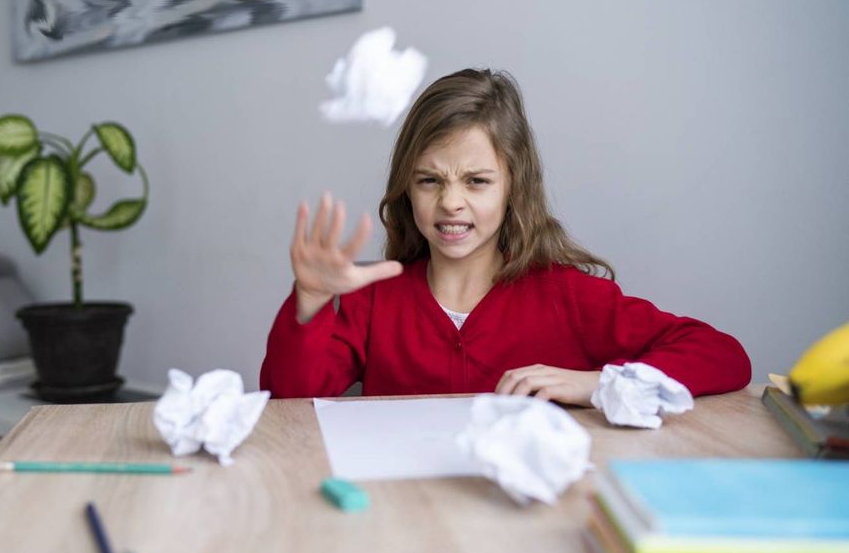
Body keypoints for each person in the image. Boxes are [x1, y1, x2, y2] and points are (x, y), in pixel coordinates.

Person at [260, 68, 750, 402]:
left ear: (513, 186)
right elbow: (293, 400)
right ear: (407, 188)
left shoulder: (568, 295)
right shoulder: (373, 303)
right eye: (430, 180)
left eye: (476, 181)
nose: (451, 202)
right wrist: (311, 301)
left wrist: (597, 384)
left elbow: (723, 355)